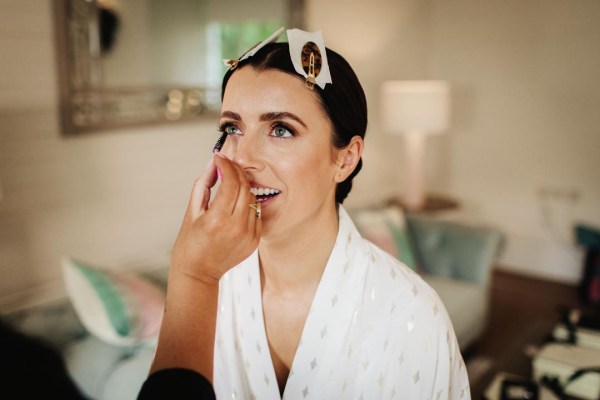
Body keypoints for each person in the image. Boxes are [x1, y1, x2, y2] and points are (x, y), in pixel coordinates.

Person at [146, 28, 470, 399]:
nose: (243, 158)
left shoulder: (414, 316)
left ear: (345, 159)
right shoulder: (209, 292)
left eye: (281, 129)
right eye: (232, 127)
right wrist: (193, 274)